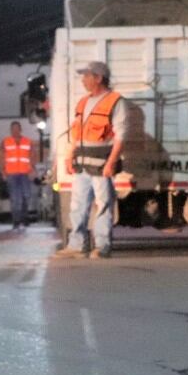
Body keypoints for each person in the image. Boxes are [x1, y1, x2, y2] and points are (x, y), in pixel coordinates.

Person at [58, 61, 124, 258]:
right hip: (82, 164)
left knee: (103, 204)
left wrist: (111, 162)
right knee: (77, 205)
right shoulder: (83, 103)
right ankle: (77, 246)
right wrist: (69, 156)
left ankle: (102, 246)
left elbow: (120, 136)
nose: (83, 80)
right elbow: (76, 133)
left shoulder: (115, 101)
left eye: (87, 76)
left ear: (99, 78)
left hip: (102, 164)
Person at [2, 120, 36, 229]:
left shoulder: (28, 142)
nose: (15, 131)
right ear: (11, 130)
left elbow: (32, 156)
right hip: (11, 174)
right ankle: (16, 221)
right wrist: (3, 171)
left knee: (26, 196)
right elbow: (2, 158)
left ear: (20, 130)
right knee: (15, 198)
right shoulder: (5, 142)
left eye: (17, 128)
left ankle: (24, 218)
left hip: (25, 173)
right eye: (13, 129)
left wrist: (32, 170)